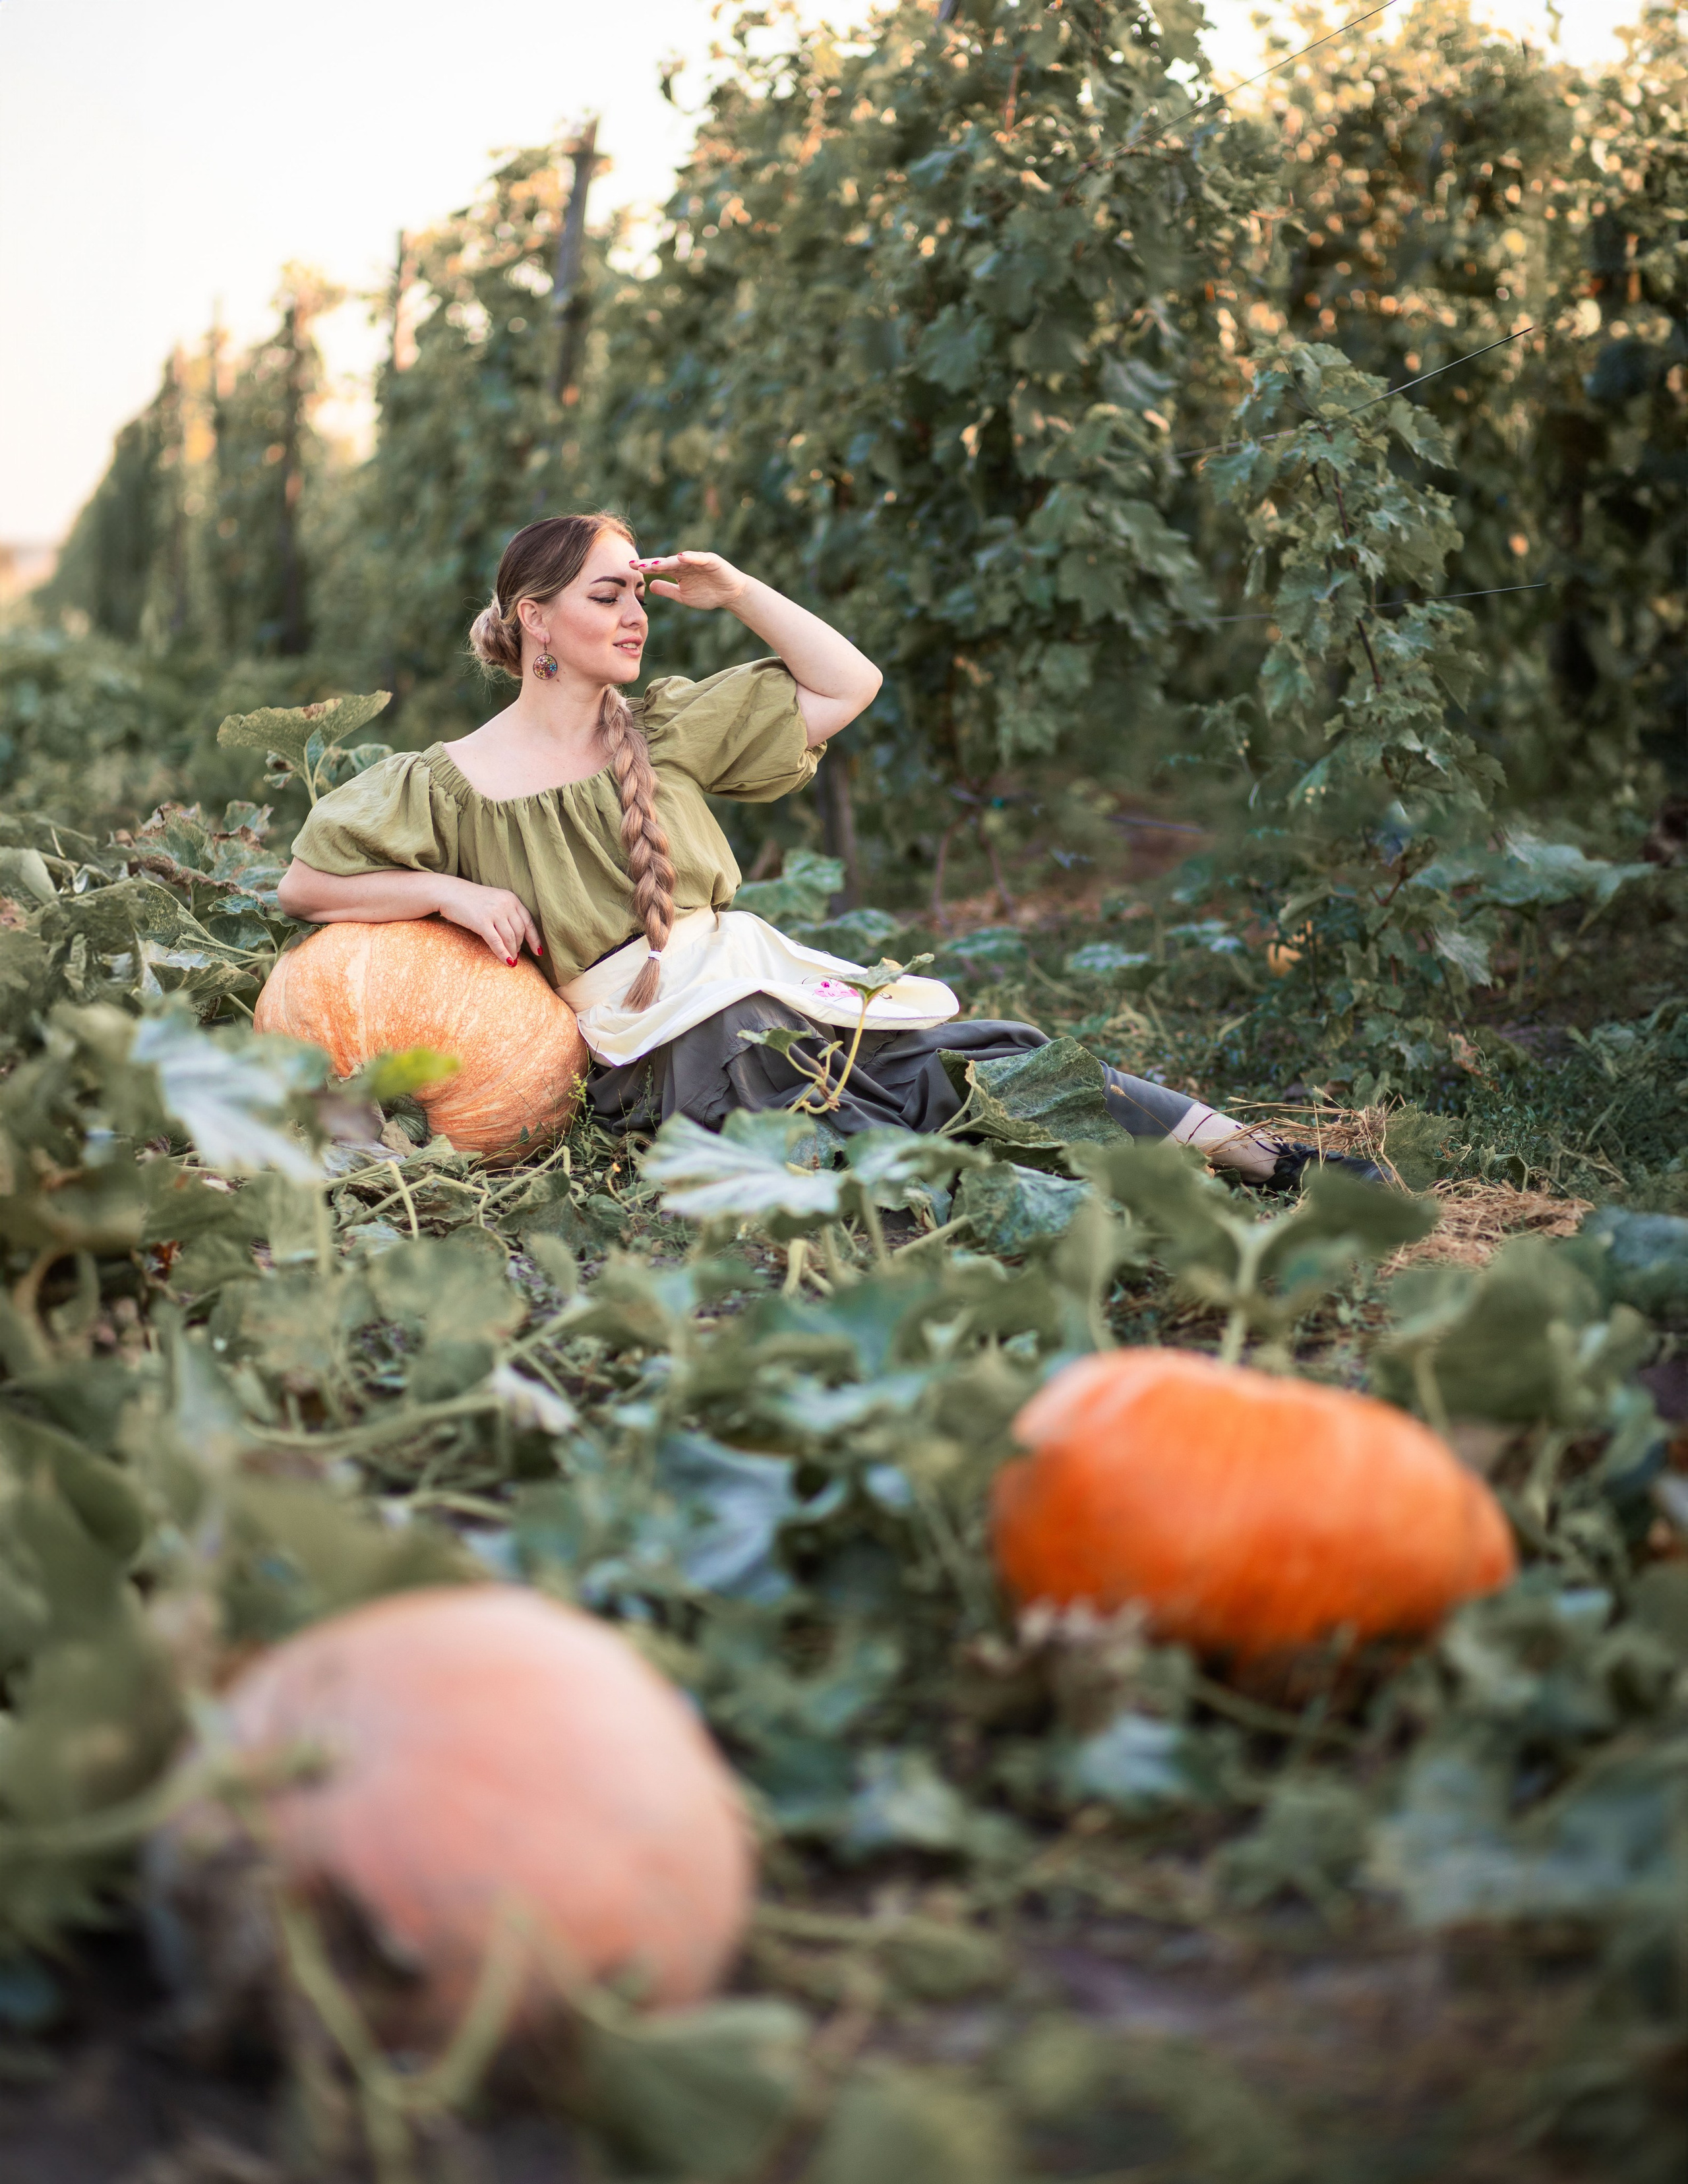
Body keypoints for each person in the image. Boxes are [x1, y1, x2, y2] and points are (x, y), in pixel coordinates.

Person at [277, 512, 1379, 1189]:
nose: (635, 615)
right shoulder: (450, 780)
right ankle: (1112, 1212)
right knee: (849, 1116)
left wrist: (740, 591)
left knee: (984, 1054)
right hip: (655, 1041)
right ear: (534, 620)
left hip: (750, 982)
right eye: (606, 595)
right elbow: (304, 882)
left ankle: (1255, 1157)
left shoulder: (661, 725)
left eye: (638, 594)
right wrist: (442, 892)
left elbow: (848, 685)